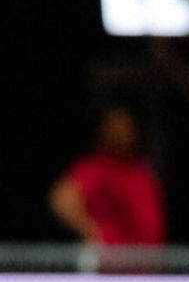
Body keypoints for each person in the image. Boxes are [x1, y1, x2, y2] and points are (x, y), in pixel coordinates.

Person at [48, 105, 165, 245]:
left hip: (146, 260)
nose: (123, 135)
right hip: (111, 262)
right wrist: (91, 230)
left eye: (126, 128)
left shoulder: (141, 169)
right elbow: (61, 200)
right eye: (116, 129)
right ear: (104, 131)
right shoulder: (96, 168)